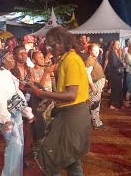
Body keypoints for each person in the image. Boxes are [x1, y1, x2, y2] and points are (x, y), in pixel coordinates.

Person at [25, 26, 91, 175]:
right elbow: (67, 92)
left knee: (52, 157)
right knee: (71, 161)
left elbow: (71, 95)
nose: (49, 49)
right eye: (47, 45)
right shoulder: (66, 59)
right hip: (71, 114)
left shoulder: (71, 60)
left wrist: (39, 92)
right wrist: (47, 98)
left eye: (52, 45)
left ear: (63, 42)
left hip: (72, 117)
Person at [0, 49, 35, 176]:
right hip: (7, 118)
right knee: (14, 145)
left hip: (14, 114)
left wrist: (27, 112)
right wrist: (7, 121)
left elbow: (16, 96)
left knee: (18, 146)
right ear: (3, 60)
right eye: (11, 58)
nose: (14, 60)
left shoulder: (7, 74)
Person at [85, 43, 106, 129]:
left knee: (94, 104)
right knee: (95, 104)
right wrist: (93, 87)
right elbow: (87, 74)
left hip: (97, 85)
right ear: (90, 51)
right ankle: (96, 123)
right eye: (94, 50)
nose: (96, 51)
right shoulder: (90, 60)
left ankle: (93, 121)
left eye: (97, 49)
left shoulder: (93, 59)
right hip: (95, 86)